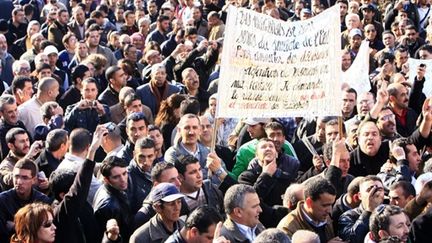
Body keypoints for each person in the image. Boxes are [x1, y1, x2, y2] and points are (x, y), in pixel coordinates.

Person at [0, 159, 51, 242]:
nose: (19, 182)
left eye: (25, 178)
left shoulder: (42, 201)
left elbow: (44, 232)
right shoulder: (2, 201)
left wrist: (15, 226)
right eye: (16, 176)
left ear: (34, 180)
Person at [277, 177, 338, 243]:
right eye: (324, 205)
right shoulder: (287, 228)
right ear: (309, 202)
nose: (329, 210)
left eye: (331, 204)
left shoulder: (324, 216)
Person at [93, 156, 132, 242]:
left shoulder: (113, 190)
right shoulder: (109, 206)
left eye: (124, 173)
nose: (123, 179)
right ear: (106, 180)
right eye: (116, 177)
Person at [339, 176, 385, 243]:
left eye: (379, 190)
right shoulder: (348, 216)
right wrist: (369, 211)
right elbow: (351, 240)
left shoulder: (389, 212)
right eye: (370, 190)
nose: (376, 193)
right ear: (360, 196)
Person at [128, 137, 156, 214]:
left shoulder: (161, 170)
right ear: (134, 155)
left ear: (155, 154)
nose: (145, 162)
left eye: (150, 156)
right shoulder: (127, 177)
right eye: (141, 157)